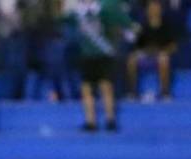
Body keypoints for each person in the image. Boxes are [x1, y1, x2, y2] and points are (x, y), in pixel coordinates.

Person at [70, 0, 132, 132]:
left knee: (106, 86)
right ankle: (90, 121)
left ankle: (110, 119)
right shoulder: (77, 13)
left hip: (104, 53)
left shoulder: (106, 9)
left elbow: (121, 25)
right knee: (86, 88)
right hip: (86, 55)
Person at [126, 0, 176, 100]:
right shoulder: (142, 25)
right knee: (131, 60)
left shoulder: (166, 24)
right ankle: (132, 92)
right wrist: (141, 52)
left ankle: (165, 92)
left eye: (156, 8)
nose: (153, 10)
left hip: (160, 55)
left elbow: (173, 46)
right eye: (151, 8)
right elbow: (136, 45)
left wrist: (163, 52)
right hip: (144, 55)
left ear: (160, 10)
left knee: (164, 60)